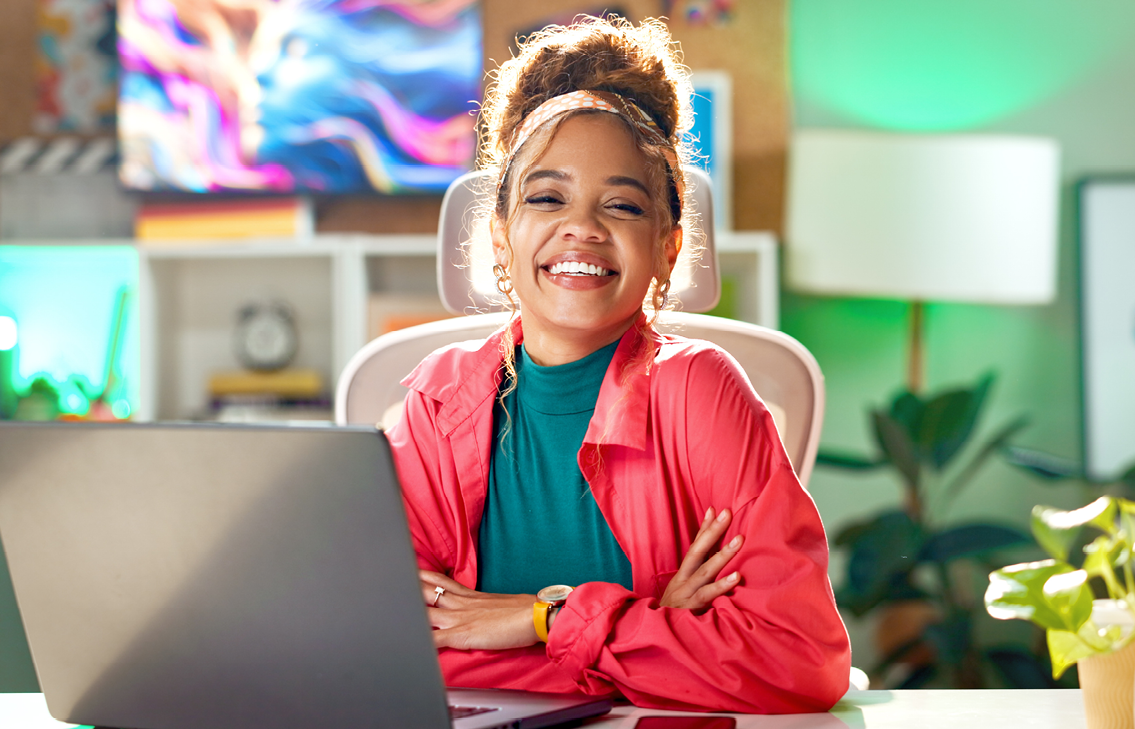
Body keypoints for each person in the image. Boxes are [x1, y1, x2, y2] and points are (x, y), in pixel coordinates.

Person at [385, 16, 851, 714]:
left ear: (667, 246)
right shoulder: (438, 397)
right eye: (546, 197)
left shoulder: (700, 390)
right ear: (500, 234)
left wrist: (543, 619)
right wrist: (656, 623)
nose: (582, 227)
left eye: (623, 205)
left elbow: (799, 657)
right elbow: (389, 643)